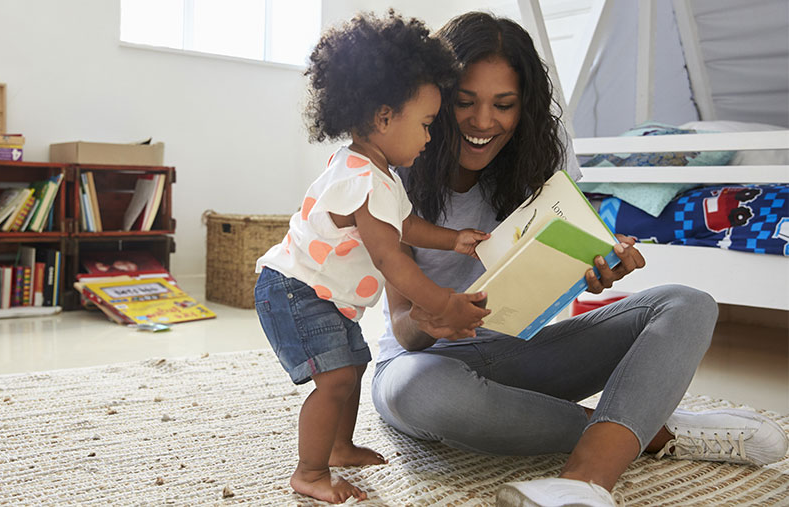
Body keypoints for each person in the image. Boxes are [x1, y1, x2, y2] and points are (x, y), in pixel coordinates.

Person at [370, 11, 788, 507]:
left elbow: (551, 277)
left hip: (519, 349)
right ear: (435, 101)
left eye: (504, 105)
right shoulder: (394, 170)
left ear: (523, 108)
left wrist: (588, 273)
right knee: (418, 393)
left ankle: (584, 483)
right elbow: (402, 327)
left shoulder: (542, 159)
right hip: (424, 360)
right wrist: (432, 319)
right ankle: (645, 432)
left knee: (688, 304)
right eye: (465, 102)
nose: (484, 122)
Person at [253, 11, 494, 504]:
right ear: (384, 117)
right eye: (426, 124)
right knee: (336, 378)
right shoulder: (362, 179)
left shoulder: (377, 174)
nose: (430, 138)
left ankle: (339, 445)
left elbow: (405, 228)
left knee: (355, 365)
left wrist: (453, 240)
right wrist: (443, 303)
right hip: (295, 289)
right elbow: (391, 259)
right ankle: (309, 471)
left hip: (320, 292)